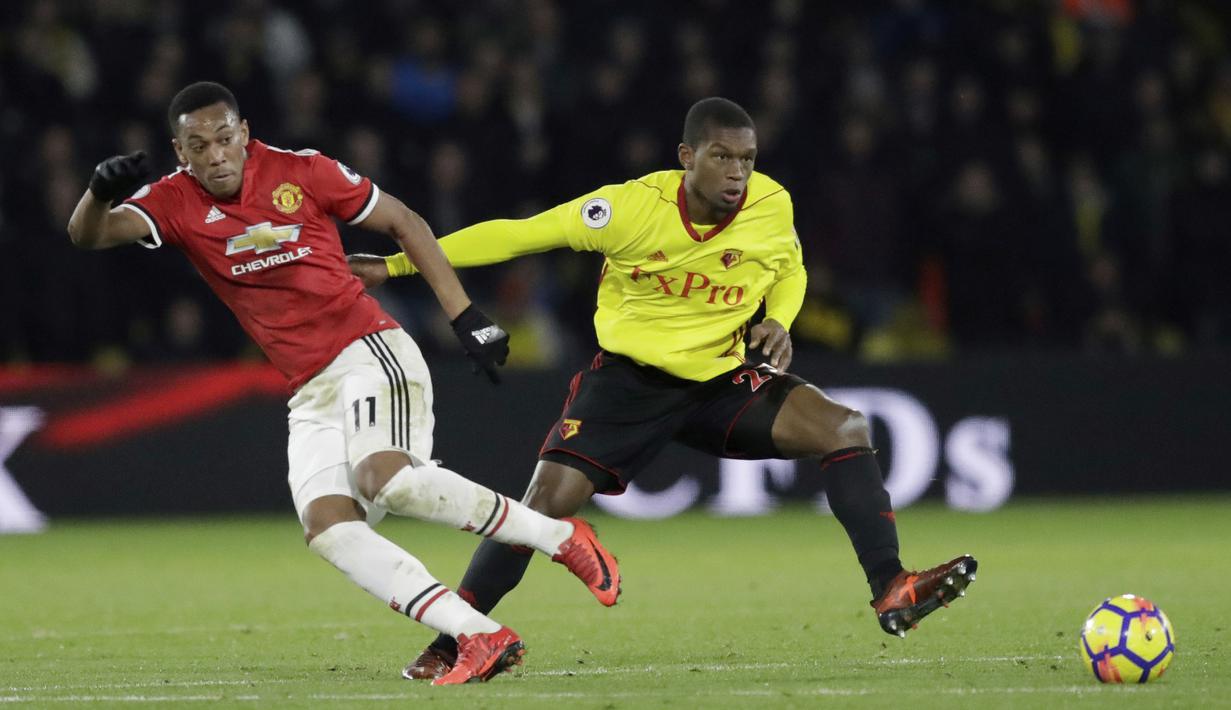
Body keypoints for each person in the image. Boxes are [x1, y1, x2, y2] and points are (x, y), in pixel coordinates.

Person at [349, 97, 978, 681]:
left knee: (844, 428)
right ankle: (456, 639)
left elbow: (789, 268)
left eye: (748, 159)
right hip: (627, 385)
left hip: (721, 382)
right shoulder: (629, 208)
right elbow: (518, 233)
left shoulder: (769, 205)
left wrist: (780, 319)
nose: (738, 173)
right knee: (543, 506)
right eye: (723, 157)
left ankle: (892, 586)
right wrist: (398, 264)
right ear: (687, 158)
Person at [65, 81, 622, 686]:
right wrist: (98, 193)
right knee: (329, 526)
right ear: (181, 151)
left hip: (368, 349)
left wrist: (464, 316)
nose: (216, 155)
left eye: (225, 139)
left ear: (244, 134)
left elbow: (404, 222)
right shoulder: (172, 200)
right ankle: (480, 634)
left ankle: (559, 537)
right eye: (199, 146)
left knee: (385, 478)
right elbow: (87, 235)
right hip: (308, 387)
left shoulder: (303, 171)